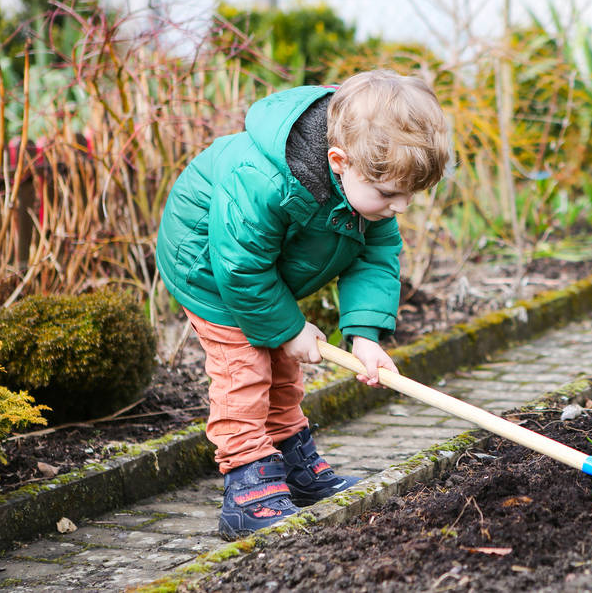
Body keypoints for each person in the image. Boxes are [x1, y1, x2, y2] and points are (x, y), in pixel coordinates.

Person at [155, 70, 450, 540]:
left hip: (261, 271)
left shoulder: (367, 186)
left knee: (282, 363)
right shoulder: (265, 180)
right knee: (245, 367)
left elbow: (374, 258)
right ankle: (247, 485)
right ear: (339, 160)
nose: (400, 208)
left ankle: (290, 460)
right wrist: (291, 328)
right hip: (209, 266)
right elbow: (239, 268)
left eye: (410, 196)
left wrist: (364, 336)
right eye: (391, 195)